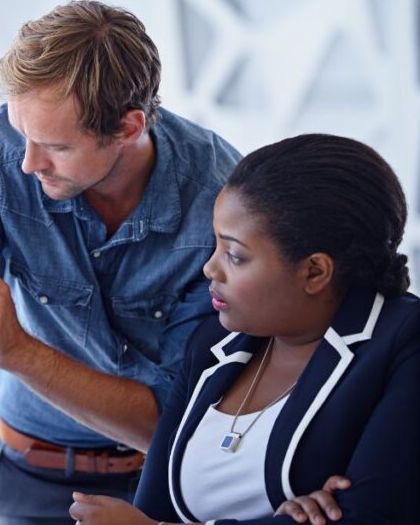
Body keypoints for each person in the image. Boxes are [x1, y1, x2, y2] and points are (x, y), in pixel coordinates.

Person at [0, 0, 241, 524]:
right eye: (22, 133)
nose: (28, 162)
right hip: (22, 472)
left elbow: (175, 421)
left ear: (129, 127)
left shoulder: (220, 203)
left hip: (164, 481)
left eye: (55, 146)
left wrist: (17, 350)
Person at [67, 134, 420, 525]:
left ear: (314, 271)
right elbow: (152, 509)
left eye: (234, 255)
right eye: (216, 245)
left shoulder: (404, 341)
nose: (210, 268)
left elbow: (370, 516)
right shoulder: (212, 345)